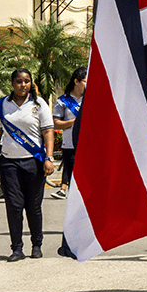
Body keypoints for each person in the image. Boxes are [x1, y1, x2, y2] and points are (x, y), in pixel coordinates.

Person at [0, 68, 55, 262]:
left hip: (34, 161)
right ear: (12, 83)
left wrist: (49, 158)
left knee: (33, 206)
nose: (23, 85)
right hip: (9, 162)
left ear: (30, 83)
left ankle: (37, 244)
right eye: (19, 81)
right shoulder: (2, 105)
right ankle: (16, 248)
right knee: (14, 206)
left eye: (26, 81)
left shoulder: (39, 104)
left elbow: (48, 131)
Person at [51, 68, 86, 200]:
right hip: (71, 146)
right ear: (76, 81)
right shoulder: (63, 101)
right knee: (74, 183)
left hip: (89, 147)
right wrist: (74, 122)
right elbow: (55, 124)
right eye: (84, 81)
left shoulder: (90, 98)